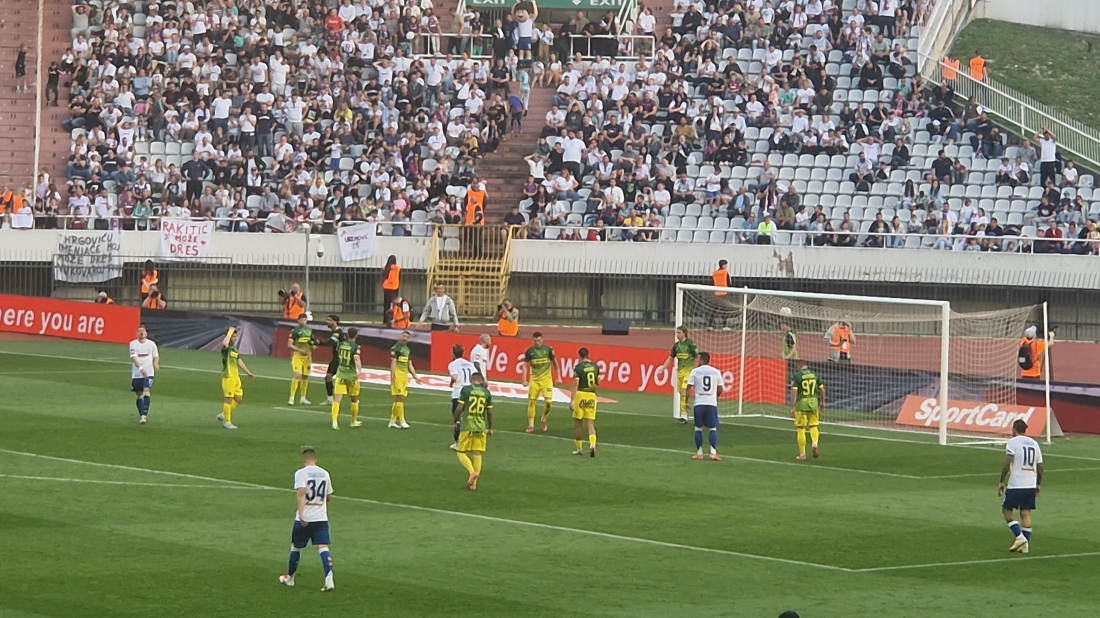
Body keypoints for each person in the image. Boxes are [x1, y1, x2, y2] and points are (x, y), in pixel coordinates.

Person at [279, 448, 335, 591]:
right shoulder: (325, 473)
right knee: (323, 547)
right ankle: (329, 579)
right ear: (316, 459)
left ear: (304, 460)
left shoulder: (301, 473)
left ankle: (290, 579)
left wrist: (302, 514)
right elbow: (328, 496)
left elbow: (301, 494)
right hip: (321, 517)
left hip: (305, 518)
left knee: (296, 547)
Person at [999, 419, 1043, 554]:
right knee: (1025, 513)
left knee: (1006, 511)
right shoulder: (1034, 443)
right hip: (1031, 483)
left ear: (1014, 429)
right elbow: (1040, 466)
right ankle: (1025, 546)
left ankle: (1020, 537)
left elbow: (1007, 462)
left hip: (1017, 483)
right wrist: (1038, 483)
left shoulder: (1013, 442)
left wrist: (1001, 480)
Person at [453, 372, 493, 491]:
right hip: (481, 426)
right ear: (481, 381)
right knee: (477, 453)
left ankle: (472, 472)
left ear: (471, 379)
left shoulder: (466, 390)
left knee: (460, 451)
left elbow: (459, 408)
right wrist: (490, 427)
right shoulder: (486, 392)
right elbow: (489, 412)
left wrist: (456, 421)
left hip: (468, 425)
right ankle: (473, 484)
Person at [687, 352, 724, 461]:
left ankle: (699, 453)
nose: (697, 361)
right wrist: (714, 397)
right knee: (712, 428)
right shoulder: (716, 371)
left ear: (702, 360)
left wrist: (686, 401)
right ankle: (713, 452)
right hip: (711, 404)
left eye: (698, 359)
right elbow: (720, 389)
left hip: (699, 403)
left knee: (698, 428)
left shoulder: (695, 371)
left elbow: (688, 387)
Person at [217, 327, 255, 430]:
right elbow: (224, 344)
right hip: (228, 376)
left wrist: (248, 372)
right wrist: (229, 333)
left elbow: (239, 360)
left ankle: (224, 414)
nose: (234, 338)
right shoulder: (225, 348)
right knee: (228, 399)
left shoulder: (233, 348)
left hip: (235, 377)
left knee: (238, 398)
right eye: (232, 336)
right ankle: (227, 422)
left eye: (235, 336)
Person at [523, 331, 561, 433]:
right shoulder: (530, 351)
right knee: (532, 402)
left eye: (539, 340)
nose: (537, 342)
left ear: (542, 340)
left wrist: (559, 377)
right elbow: (525, 365)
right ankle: (531, 425)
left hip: (546, 380)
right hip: (534, 380)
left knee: (548, 402)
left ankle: (543, 419)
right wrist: (524, 379)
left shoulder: (548, 350)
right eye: (535, 341)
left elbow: (555, 364)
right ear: (532, 340)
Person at [661, 326, 699, 424]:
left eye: (679, 332)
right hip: (680, 372)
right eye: (676, 332)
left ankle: (684, 415)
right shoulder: (676, 346)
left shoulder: (690, 344)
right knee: (681, 393)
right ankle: (686, 406)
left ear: (684, 333)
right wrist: (663, 368)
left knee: (683, 390)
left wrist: (698, 369)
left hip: (689, 372)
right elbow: (670, 358)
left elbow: (697, 356)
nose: (677, 334)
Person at [790, 360, 824, 461]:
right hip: (813, 404)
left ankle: (802, 454)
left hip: (802, 404)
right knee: (814, 426)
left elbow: (794, 391)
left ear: (798, 367)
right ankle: (814, 443)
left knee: (801, 428)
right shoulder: (815, 375)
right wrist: (822, 402)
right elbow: (822, 390)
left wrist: (793, 407)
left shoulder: (797, 376)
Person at [570, 347, 600, 457]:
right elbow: (598, 382)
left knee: (578, 424)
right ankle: (592, 445)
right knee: (590, 424)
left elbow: (575, 384)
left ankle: (579, 449)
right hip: (591, 395)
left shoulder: (578, 368)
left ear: (579, 355)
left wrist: (572, 400)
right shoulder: (595, 366)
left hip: (581, 395)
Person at [330, 328, 362, 430]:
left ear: (347, 335)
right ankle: (353, 421)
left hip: (341, 374)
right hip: (351, 376)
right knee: (354, 399)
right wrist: (359, 370)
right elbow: (356, 358)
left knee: (337, 400)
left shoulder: (340, 344)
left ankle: (334, 422)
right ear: (356, 336)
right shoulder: (356, 346)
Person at [389, 330, 421, 429]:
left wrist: (415, 376)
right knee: (400, 397)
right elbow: (393, 362)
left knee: (398, 399)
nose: (405, 338)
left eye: (407, 337)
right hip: (397, 374)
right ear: (400, 336)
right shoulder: (395, 348)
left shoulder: (408, 350)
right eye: (403, 336)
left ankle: (392, 421)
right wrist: (392, 375)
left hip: (404, 375)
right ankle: (402, 421)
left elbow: (410, 364)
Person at [128, 325, 159, 425]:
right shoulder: (133, 344)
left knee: (146, 391)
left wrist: (155, 363)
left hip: (149, 372)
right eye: (139, 331)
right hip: (137, 374)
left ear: (146, 333)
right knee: (139, 394)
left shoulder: (151, 344)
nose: (141, 332)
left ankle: (144, 416)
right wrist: (141, 369)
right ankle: (141, 413)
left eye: (143, 331)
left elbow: (156, 356)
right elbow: (134, 358)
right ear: (137, 333)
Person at [448, 344, 476, 450]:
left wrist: (451, 383)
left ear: (453, 353)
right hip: (470, 392)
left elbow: (454, 377)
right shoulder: (469, 364)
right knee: (469, 418)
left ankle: (458, 443)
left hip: (458, 393)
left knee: (457, 419)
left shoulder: (453, 364)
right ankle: (470, 442)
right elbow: (476, 377)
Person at [287, 314, 314, 406]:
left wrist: (313, 346)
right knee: (297, 375)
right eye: (302, 320)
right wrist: (300, 350)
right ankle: (292, 397)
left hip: (307, 357)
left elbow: (311, 342)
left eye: (305, 320)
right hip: (298, 356)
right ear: (298, 321)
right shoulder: (295, 331)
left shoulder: (310, 331)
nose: (303, 322)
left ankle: (303, 397)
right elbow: (289, 344)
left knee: (305, 376)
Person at [322, 315, 343, 405]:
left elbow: (330, 342)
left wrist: (317, 342)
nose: (328, 322)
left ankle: (354, 398)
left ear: (335, 322)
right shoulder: (334, 331)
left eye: (330, 320)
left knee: (339, 379)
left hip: (339, 358)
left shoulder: (337, 332)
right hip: (336, 357)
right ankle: (330, 399)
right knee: (328, 377)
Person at [381, 255, 401, 326]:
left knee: (386, 304)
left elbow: (383, 276)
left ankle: (385, 320)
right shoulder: (397, 268)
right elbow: (399, 277)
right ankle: (393, 318)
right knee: (394, 304)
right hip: (394, 287)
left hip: (386, 287)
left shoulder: (385, 267)